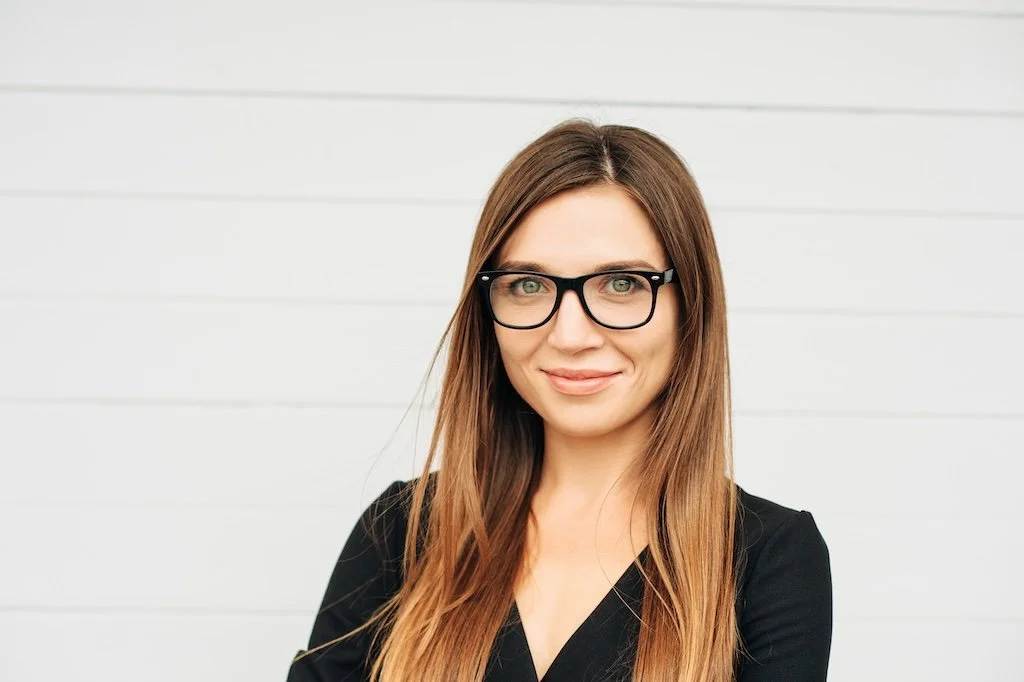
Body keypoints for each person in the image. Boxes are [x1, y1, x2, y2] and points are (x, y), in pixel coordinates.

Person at [286, 119, 832, 682]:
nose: (570, 336)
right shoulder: (402, 532)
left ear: (690, 303)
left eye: (621, 284)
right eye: (528, 285)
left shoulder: (770, 559)